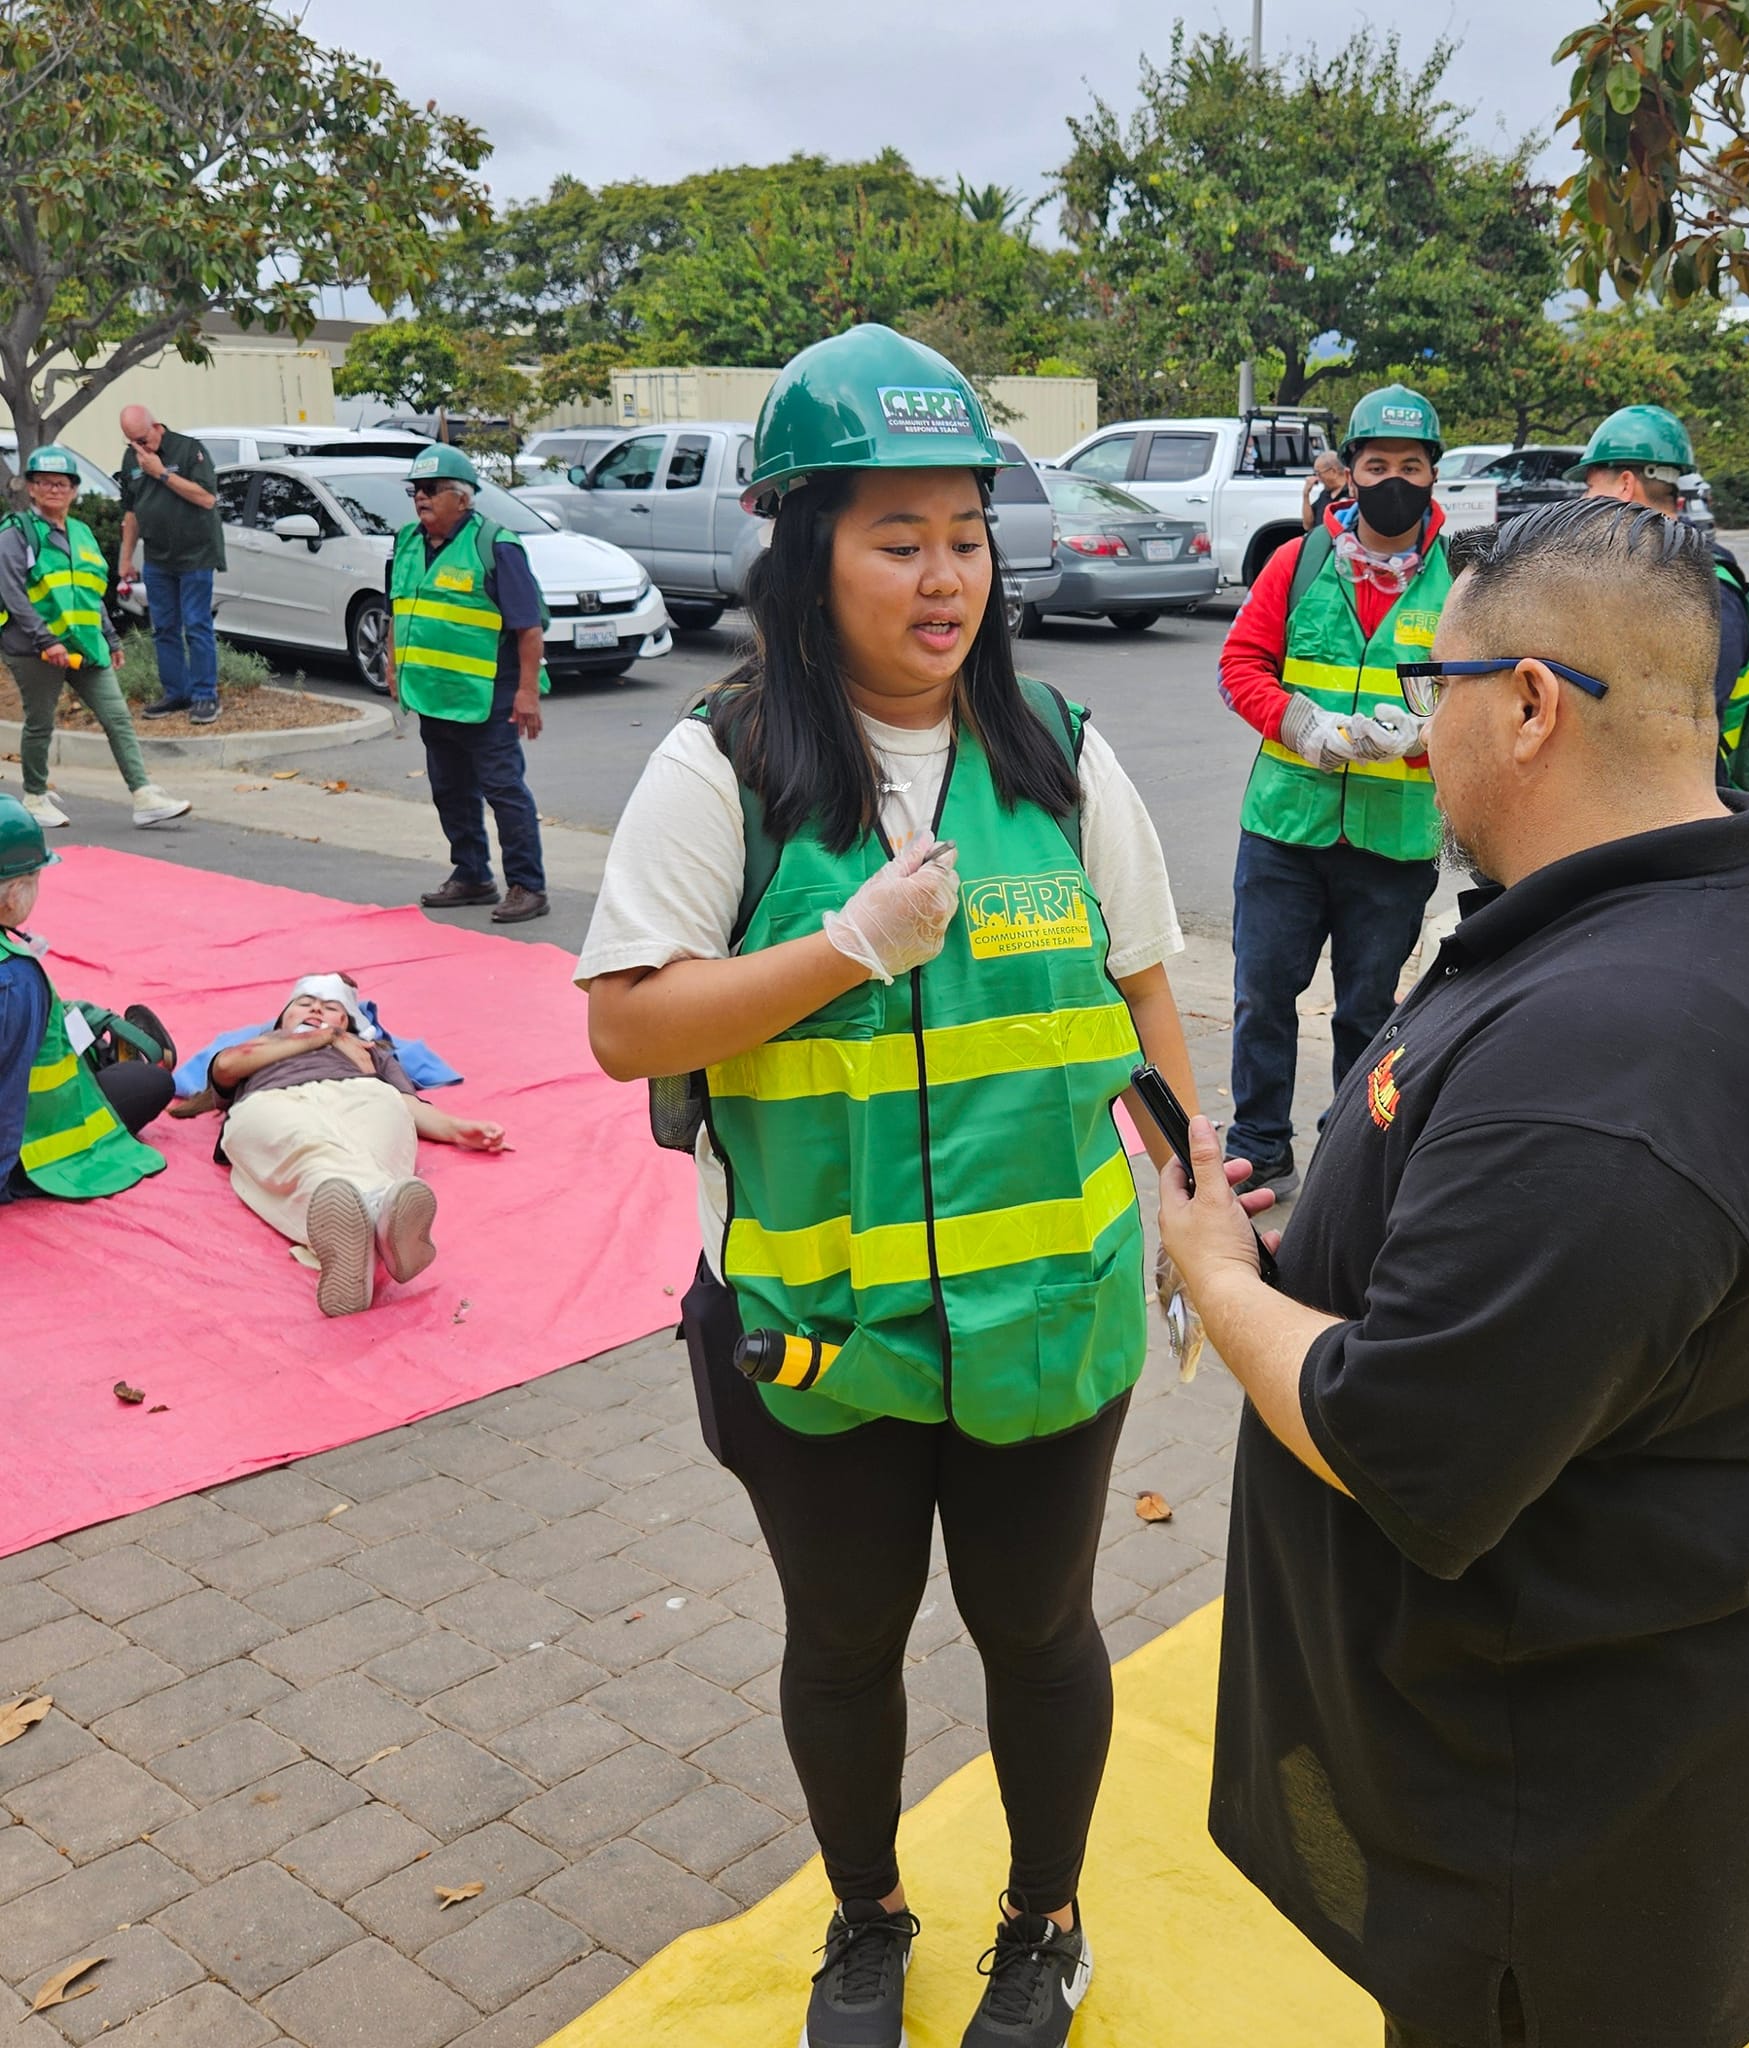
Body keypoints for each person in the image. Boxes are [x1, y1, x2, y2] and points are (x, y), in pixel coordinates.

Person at [1161, 497, 1749, 2048]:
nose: (1422, 731)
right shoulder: (1660, 909)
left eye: (1438, 686)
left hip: (1561, 1836)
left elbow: (1399, 1437)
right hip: (1579, 1756)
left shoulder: (1604, 1060)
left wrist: (1217, 1273)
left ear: (1531, 703)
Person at [580, 324, 1198, 2048]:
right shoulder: (726, 765)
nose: (945, 576)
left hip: (1043, 1319)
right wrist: (841, 948)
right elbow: (626, 1026)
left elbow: (1142, 985)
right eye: (895, 537)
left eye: (965, 532)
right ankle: (863, 1918)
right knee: (845, 1643)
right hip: (817, 1335)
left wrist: (1190, 1214)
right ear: (805, 551)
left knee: (1038, 1631)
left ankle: (1042, 1917)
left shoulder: (1058, 748)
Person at [1217, 383, 1449, 1205]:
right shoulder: (1298, 562)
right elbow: (1240, 667)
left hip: (1392, 840)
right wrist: (1301, 723)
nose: (1393, 478)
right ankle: (1258, 1146)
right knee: (1261, 996)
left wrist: (1432, 736)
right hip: (1287, 827)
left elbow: (1491, 699)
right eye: (1376, 463)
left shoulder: (1464, 584)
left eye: (1410, 465)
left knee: (1371, 1015)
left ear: (1433, 477)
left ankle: (1352, 1158)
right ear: (1348, 473)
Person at [210, 973, 506, 1316]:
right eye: (304, 1004)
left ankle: (361, 1232)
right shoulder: (263, 1044)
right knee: (307, 1146)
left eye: (330, 1008)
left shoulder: (369, 1053)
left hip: (359, 1092)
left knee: (372, 1139)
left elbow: (405, 1104)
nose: (316, 1009)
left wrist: (456, 1129)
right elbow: (226, 1066)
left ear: (349, 1020)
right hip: (274, 1099)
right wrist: (328, 1036)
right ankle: (381, 1216)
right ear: (283, 1017)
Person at [383, 445, 551, 925]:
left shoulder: (496, 546)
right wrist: (393, 665)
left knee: (503, 790)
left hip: (487, 696)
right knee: (449, 790)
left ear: (463, 497)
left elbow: (528, 628)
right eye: (416, 490)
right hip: (433, 696)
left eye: (431, 490)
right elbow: (398, 606)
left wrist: (527, 693)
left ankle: (527, 885)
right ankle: (472, 875)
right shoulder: (408, 542)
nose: (420, 498)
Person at [1, 445, 192, 833]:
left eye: (62, 483)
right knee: (40, 722)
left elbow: (90, 591)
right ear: (32, 489)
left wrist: (111, 639)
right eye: (45, 483)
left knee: (118, 717)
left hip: (85, 645)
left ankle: (144, 796)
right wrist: (46, 641)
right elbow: (11, 593)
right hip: (33, 648)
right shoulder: (15, 533)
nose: (54, 490)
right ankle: (35, 797)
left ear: (73, 490)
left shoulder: (82, 533)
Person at [0, 792, 171, 1204]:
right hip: (31, 1147)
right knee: (153, 1081)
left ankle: (95, 1051)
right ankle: (107, 1059)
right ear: (13, 894)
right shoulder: (16, 980)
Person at [1569, 403, 1749, 768]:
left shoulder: (1705, 588)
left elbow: (1677, 724)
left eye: (1590, 487)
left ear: (1625, 484)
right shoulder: (1645, 574)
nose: (1583, 501)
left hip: (1688, 808)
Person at [116, 404, 224, 724]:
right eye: (131, 442)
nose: (139, 447)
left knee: (196, 624)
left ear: (156, 427)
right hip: (158, 558)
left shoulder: (188, 449)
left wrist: (161, 472)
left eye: (142, 439)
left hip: (195, 555)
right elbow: (132, 513)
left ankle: (206, 696)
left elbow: (206, 498)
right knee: (163, 628)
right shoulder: (131, 459)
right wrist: (125, 559)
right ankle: (176, 692)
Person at [1301, 447, 1352, 531]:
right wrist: (1306, 495)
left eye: (1318, 473)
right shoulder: (1324, 495)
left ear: (1333, 472)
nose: (1317, 478)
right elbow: (1307, 526)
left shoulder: (1352, 493)